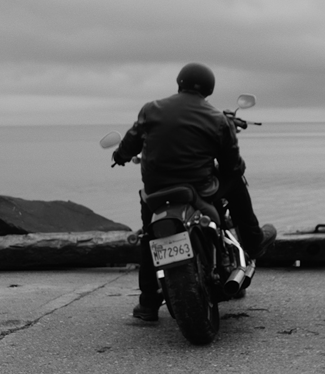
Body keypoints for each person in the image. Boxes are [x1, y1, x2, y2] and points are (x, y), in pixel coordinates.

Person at [111, 62, 270, 321]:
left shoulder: (151, 109)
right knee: (237, 181)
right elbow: (232, 165)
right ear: (209, 89)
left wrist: (120, 155)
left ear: (179, 83)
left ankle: (148, 303)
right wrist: (232, 167)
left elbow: (131, 141)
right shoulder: (218, 119)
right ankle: (253, 240)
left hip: (156, 193)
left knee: (149, 238)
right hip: (200, 190)